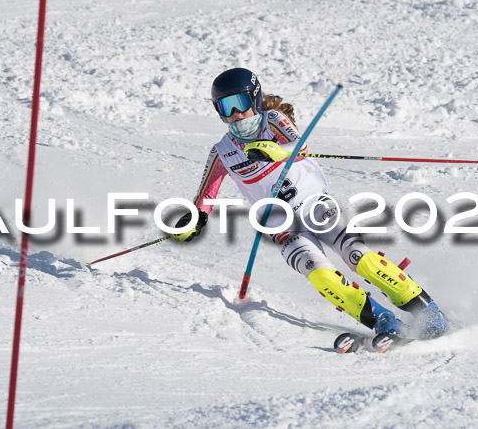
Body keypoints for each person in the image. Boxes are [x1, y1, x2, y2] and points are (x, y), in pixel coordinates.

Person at [172, 67, 450, 340]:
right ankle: (383, 321)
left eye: (240, 103)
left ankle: (428, 311)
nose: (235, 114)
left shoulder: (273, 120)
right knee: (320, 274)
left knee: (359, 258)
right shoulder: (222, 152)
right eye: (225, 107)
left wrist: (278, 152)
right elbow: (205, 197)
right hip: (282, 227)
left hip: (315, 206)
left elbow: (299, 145)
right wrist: (194, 220)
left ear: (255, 98)